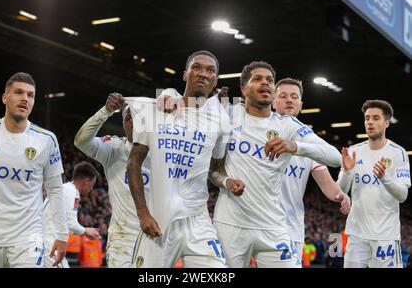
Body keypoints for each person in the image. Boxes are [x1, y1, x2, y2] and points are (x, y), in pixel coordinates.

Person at [210, 61, 342, 268]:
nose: (265, 83)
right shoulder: (229, 114)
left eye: (270, 80)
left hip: (273, 226)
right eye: (258, 79)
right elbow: (190, 106)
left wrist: (295, 146)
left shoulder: (288, 125)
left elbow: (335, 157)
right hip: (230, 225)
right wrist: (171, 97)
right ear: (244, 90)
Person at [126, 50, 232, 268]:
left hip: (198, 220)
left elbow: (217, 169)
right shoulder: (157, 109)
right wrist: (143, 213)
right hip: (159, 218)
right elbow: (134, 162)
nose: (203, 74)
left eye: (210, 70)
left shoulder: (222, 120)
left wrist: (228, 182)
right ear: (185, 75)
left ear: (216, 81)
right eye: (197, 68)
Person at [0, 72, 68, 268]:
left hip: (29, 240)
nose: (24, 99)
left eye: (30, 95)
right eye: (19, 92)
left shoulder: (46, 140)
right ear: (5, 97)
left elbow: (55, 189)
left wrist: (62, 234)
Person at [272, 78, 351, 262]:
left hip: (290, 230)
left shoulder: (310, 143)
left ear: (301, 104)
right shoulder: (260, 131)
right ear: (273, 102)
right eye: (283, 96)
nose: (289, 100)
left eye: (294, 97)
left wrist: (341, 195)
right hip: (257, 226)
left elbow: (326, 183)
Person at [74, 93, 152, 268]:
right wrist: (106, 111)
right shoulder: (114, 148)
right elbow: (81, 142)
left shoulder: (164, 151)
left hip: (157, 236)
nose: (133, 122)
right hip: (123, 239)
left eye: (139, 117)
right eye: (128, 118)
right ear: (123, 123)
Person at [338, 100, 410, 268]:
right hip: (356, 235)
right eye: (367, 118)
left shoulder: (398, 153)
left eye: (376, 118)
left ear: (386, 123)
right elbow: (340, 191)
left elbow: (402, 195)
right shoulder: (353, 152)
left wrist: (385, 178)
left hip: (385, 236)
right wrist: (348, 172)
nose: (370, 122)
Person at [43, 161, 101, 268]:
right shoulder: (71, 192)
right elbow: (69, 223)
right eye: (92, 184)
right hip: (51, 247)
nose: (91, 189)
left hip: (45, 244)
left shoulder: (64, 189)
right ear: (86, 181)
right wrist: (85, 231)